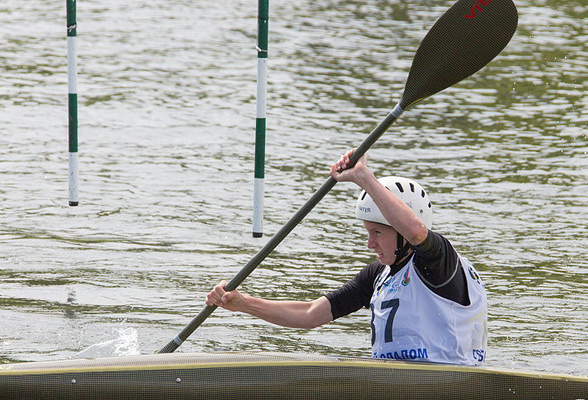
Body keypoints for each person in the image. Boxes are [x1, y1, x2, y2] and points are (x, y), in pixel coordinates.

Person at [205, 150, 488, 366]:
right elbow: (310, 315)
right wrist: (244, 304)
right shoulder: (378, 275)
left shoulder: (440, 264)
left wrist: (364, 177)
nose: (370, 243)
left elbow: (416, 233)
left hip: (449, 377)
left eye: (377, 232)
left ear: (401, 232)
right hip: (396, 380)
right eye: (368, 232)